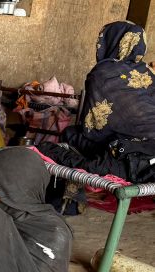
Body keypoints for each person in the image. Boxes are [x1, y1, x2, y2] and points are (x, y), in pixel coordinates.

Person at [38, 21, 155, 185]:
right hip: (150, 148)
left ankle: (67, 183)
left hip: (126, 151)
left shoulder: (103, 72)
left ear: (111, 42)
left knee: (71, 134)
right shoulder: (148, 72)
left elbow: (94, 126)